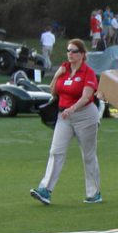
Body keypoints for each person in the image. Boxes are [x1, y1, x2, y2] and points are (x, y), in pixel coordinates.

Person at [31, 39, 101, 205]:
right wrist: (56, 75)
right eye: (68, 50)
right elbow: (53, 91)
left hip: (85, 115)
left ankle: (94, 193)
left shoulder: (87, 72)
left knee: (88, 155)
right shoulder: (64, 69)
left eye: (74, 51)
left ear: (82, 54)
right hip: (64, 116)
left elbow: (86, 96)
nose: (70, 53)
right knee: (56, 151)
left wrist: (73, 108)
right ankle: (45, 189)